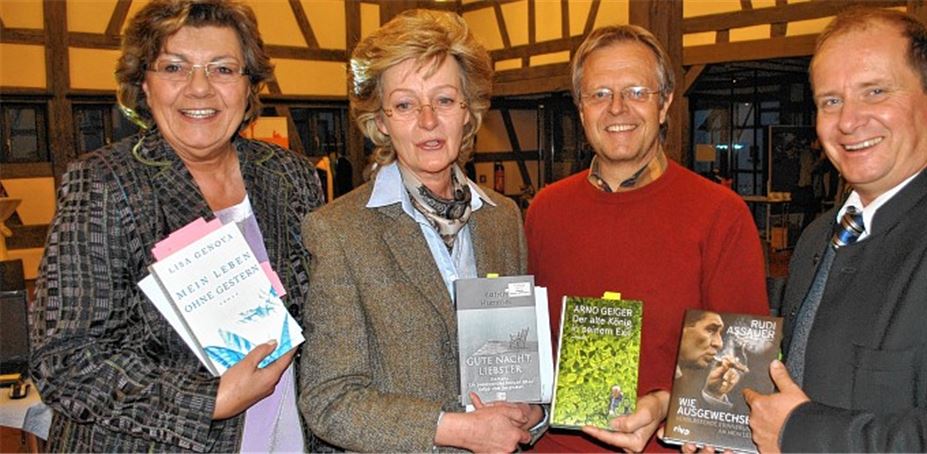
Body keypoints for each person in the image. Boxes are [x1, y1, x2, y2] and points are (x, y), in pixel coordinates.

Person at [29, 0, 324, 451]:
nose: (199, 89)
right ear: (144, 85)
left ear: (249, 87)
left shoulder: (292, 176)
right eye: (174, 67)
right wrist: (210, 399)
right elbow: (66, 362)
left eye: (223, 69)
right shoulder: (106, 182)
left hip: (282, 433)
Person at [743, 8, 927, 453]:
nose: (849, 121)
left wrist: (798, 431)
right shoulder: (821, 237)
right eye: (831, 101)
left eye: (875, 92)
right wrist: (733, 428)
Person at [298, 10, 545, 452]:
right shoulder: (339, 232)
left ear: (468, 112)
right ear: (381, 120)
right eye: (406, 104)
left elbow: (513, 358)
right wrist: (459, 430)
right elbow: (328, 401)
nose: (428, 121)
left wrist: (531, 410)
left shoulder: (503, 218)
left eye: (445, 100)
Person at [525, 25, 768, 452]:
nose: (617, 108)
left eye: (637, 91)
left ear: (665, 103)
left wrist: (665, 405)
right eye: (599, 94)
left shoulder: (720, 214)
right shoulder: (545, 211)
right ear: (580, 108)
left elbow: (742, 372)